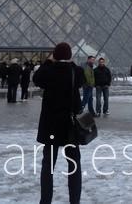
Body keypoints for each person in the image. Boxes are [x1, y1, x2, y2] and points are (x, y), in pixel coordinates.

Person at [33, 42, 83, 204]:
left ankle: (45, 201)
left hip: (51, 126)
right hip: (70, 126)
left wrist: (48, 61)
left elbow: (37, 78)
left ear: (55, 55)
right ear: (69, 56)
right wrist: (69, 62)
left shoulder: (48, 71)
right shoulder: (76, 72)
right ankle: (74, 201)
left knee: (48, 166)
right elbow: (81, 77)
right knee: (74, 166)